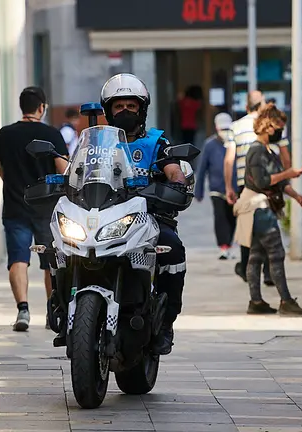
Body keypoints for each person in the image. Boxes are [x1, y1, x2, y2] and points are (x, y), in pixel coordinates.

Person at [100, 73, 187, 355]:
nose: (125, 112)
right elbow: (75, 173)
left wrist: (175, 184)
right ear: (108, 111)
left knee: (171, 247)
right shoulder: (99, 144)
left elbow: (174, 171)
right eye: (118, 107)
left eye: (131, 106)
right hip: (101, 218)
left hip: (147, 217)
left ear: (142, 110)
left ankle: (166, 322)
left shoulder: (156, 142)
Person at [0, 86, 69, 332]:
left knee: (18, 258)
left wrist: (15, 185)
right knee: (50, 259)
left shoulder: (5, 134)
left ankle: (23, 310)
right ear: (42, 108)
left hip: (15, 205)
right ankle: (51, 311)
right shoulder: (52, 134)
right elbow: (63, 169)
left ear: (21, 106)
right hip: (46, 207)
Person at [233, 105, 302, 315]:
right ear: (268, 126)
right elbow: (263, 181)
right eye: (278, 128)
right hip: (258, 208)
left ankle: (256, 301)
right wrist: (288, 173)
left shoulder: (266, 150)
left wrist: (297, 196)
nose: (279, 133)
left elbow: (278, 182)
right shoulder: (257, 151)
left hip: (259, 208)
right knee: (276, 252)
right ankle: (285, 300)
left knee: (256, 254)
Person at [223, 91, 273, 286]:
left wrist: (229, 187)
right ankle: (269, 272)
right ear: (262, 106)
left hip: (247, 184)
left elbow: (229, 159)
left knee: (246, 227)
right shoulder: (270, 125)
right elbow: (283, 154)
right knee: (269, 226)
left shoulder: (235, 127)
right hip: (269, 182)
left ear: (246, 107)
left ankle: (245, 269)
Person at [195, 112, 237, 260]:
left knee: (232, 218)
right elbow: (202, 169)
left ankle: (229, 244)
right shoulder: (209, 145)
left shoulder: (236, 143)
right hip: (217, 188)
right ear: (216, 128)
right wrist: (198, 191)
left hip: (234, 189)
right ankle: (223, 246)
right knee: (220, 217)